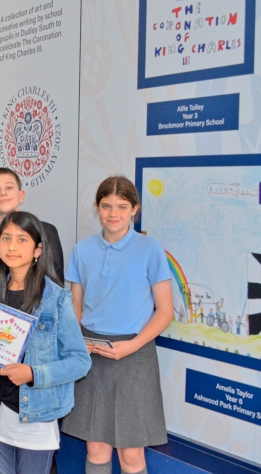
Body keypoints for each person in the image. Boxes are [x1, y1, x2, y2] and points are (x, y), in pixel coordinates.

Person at [0, 211, 91, 474]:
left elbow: (80, 361)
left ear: (38, 250)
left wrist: (33, 374)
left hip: (36, 415)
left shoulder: (56, 298)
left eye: (22, 240)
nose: (12, 246)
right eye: (6, 238)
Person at [61, 176, 173, 474]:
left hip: (135, 355)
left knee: (131, 452)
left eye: (122, 207)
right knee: (95, 447)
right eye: (106, 206)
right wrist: (76, 342)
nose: (114, 213)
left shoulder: (150, 249)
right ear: (97, 207)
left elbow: (165, 311)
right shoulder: (81, 251)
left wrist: (132, 346)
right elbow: (75, 307)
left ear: (134, 209)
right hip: (92, 355)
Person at [0, 168, 64, 299]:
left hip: (37, 308)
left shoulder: (46, 231)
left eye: (9, 187)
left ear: (21, 195)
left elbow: (55, 279)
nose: (3, 193)